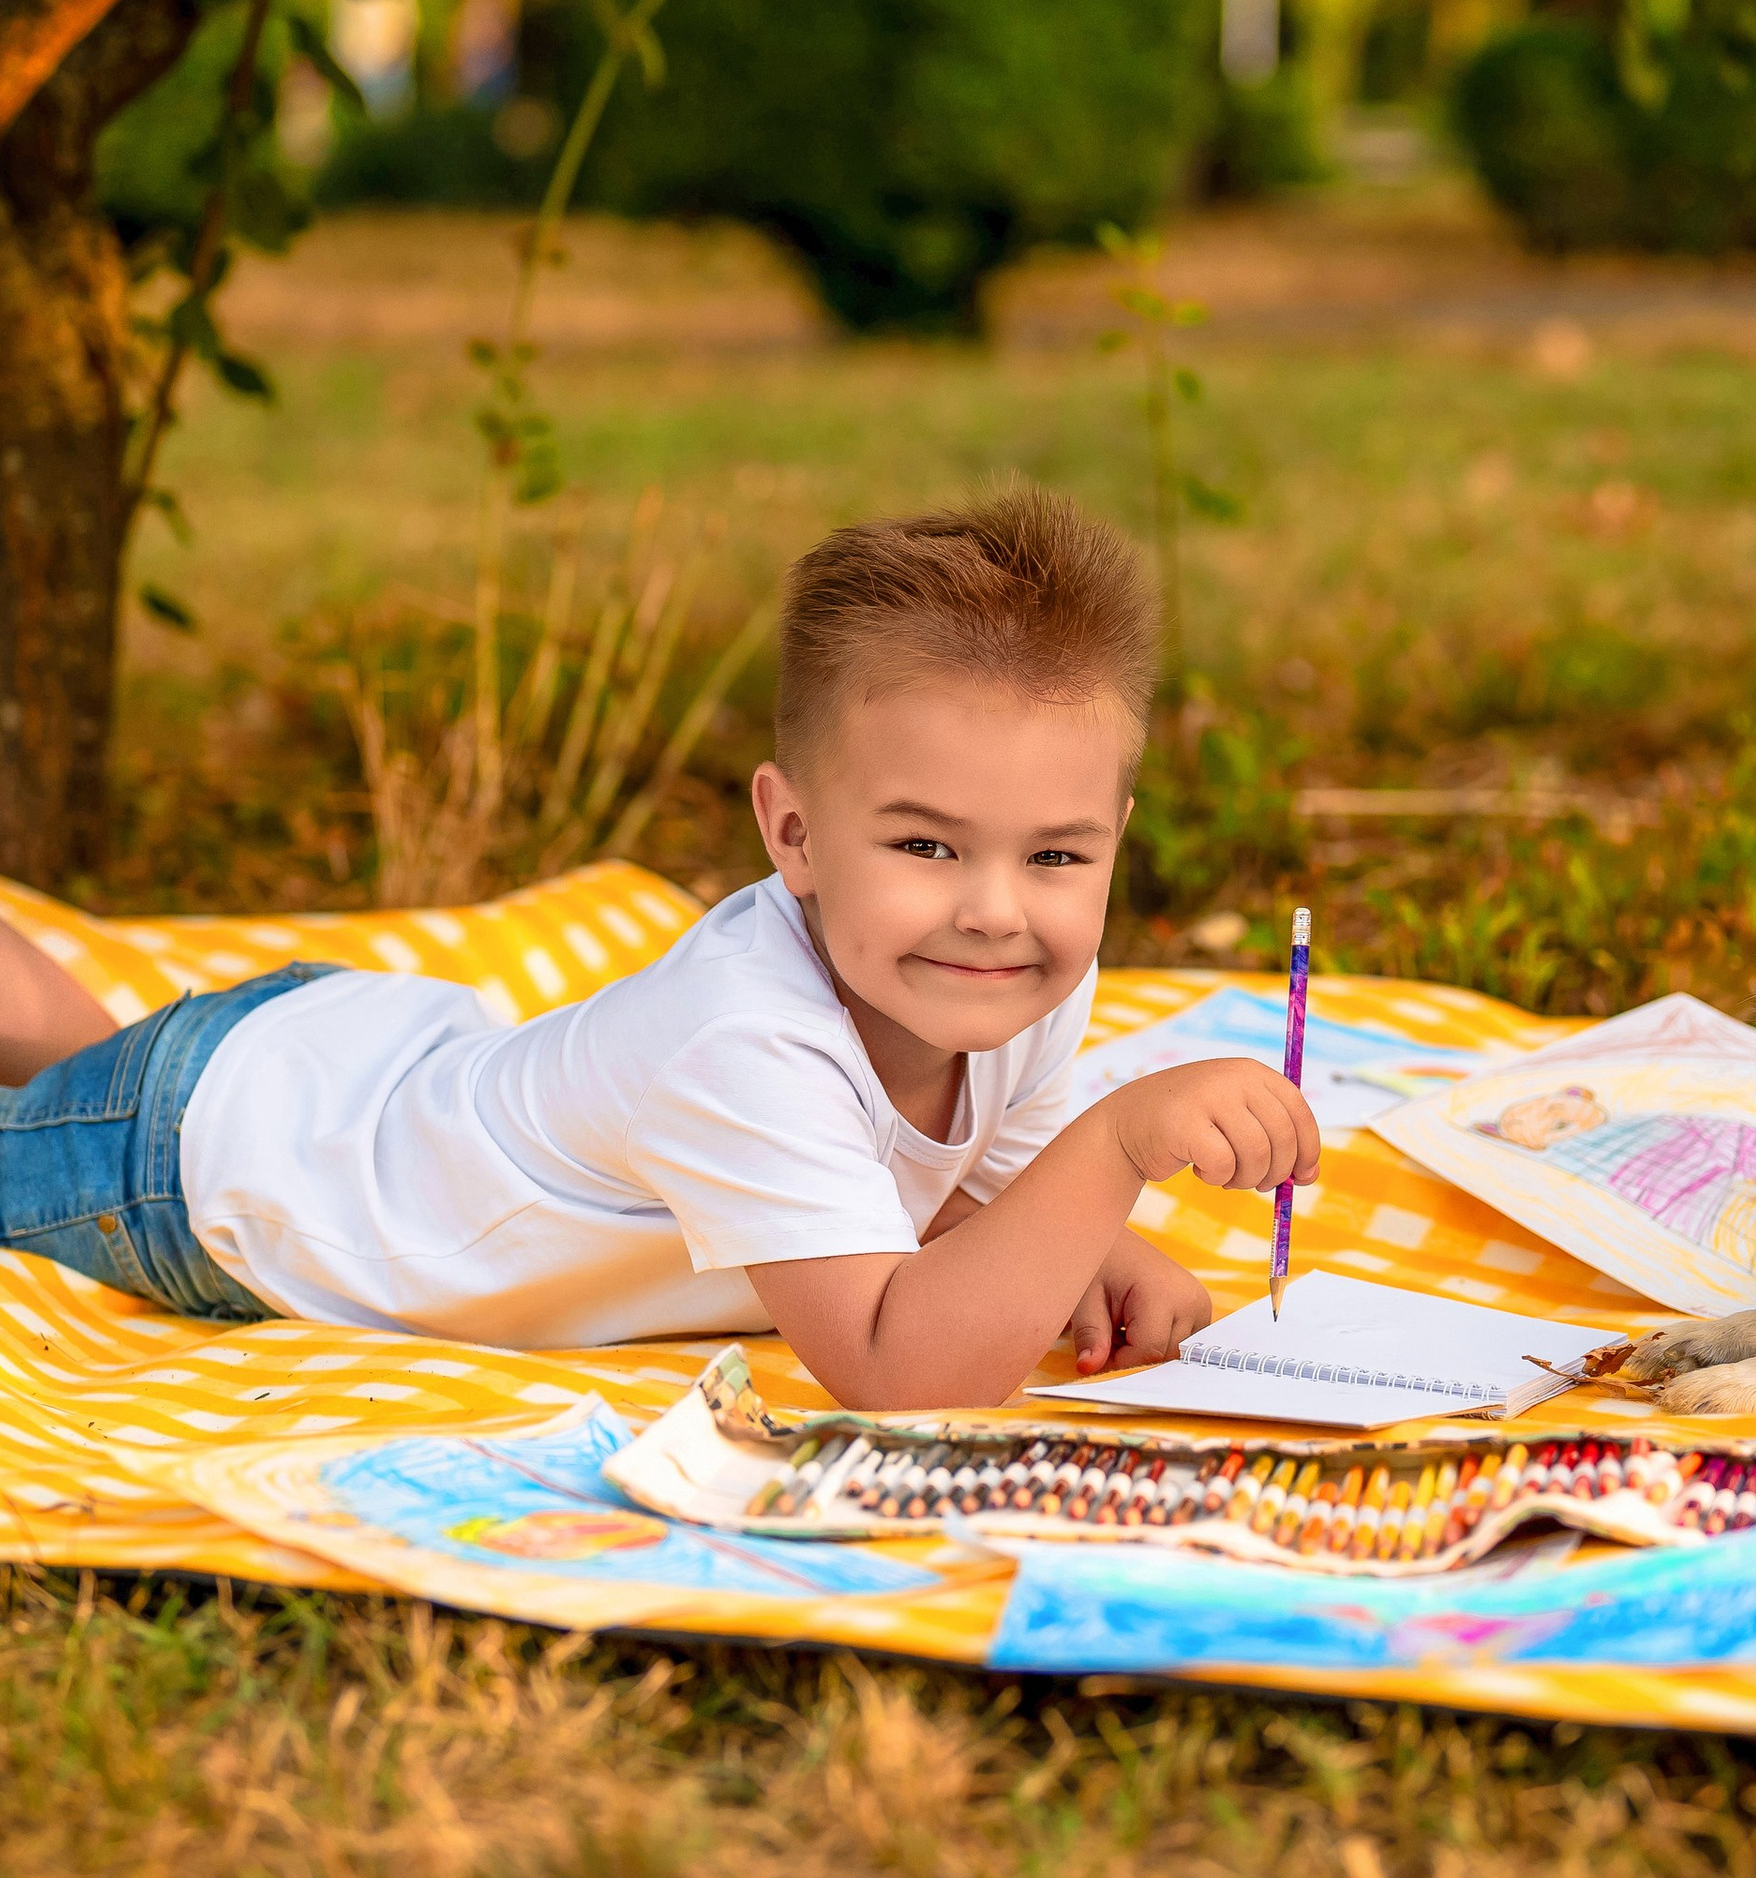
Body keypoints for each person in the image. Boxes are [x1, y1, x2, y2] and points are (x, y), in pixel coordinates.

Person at [0, 489, 1315, 1408]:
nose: (996, 908)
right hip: (215, 1175)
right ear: (792, 833)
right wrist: (1116, 1151)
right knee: (75, 1110)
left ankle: (79, 1038)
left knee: (96, 1058)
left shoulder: (1012, 988)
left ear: (1112, 839)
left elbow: (971, 1202)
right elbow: (896, 1367)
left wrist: (1093, 1247)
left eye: (1056, 856)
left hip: (350, 1068)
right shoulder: (741, 1036)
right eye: (925, 847)